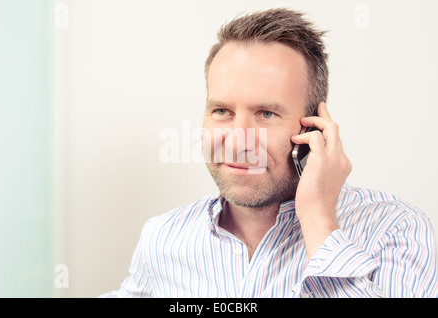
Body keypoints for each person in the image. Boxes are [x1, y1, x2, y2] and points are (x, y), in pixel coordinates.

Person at [102, 8, 437, 298]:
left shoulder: (395, 229)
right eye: (221, 111)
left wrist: (318, 219)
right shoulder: (163, 237)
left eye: (266, 114)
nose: (237, 141)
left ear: (314, 128)